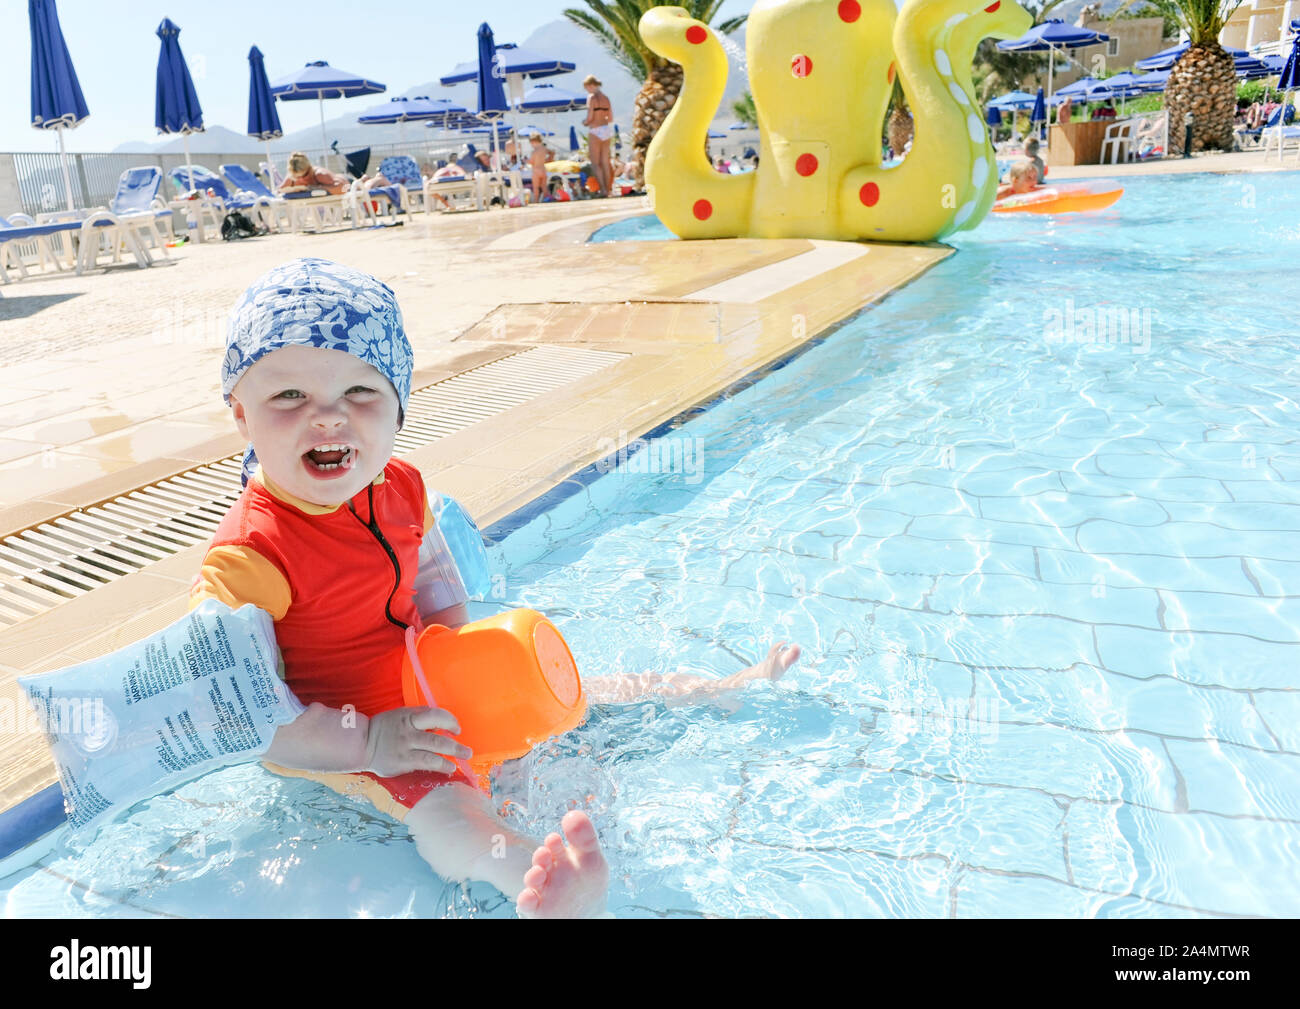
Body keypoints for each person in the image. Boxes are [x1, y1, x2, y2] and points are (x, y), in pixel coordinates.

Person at [192, 258, 801, 917]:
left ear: (399, 404)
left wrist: (464, 654)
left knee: (583, 696)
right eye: (289, 397)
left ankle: (720, 687)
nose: (329, 419)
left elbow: (429, 573)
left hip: (432, 686)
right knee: (448, 808)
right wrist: (370, 742)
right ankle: (531, 877)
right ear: (240, 414)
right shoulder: (252, 555)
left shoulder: (400, 485)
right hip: (351, 734)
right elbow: (237, 714)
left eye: (360, 392)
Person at [583, 74, 614, 198]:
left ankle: (603, 190)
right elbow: (610, 117)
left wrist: (585, 122)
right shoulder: (606, 98)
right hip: (606, 129)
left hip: (595, 129)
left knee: (595, 163)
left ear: (590, 85)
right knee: (605, 162)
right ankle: (609, 189)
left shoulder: (592, 98)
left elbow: (590, 117)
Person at [278, 151, 348, 195]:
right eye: (295, 175)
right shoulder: (292, 177)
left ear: (307, 168)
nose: (299, 178)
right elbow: (279, 191)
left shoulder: (319, 174)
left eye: (302, 175)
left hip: (347, 184)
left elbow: (341, 188)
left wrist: (308, 188)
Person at [528, 133, 552, 204]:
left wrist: (526, 161)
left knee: (536, 187)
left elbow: (532, 162)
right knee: (544, 186)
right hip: (543, 169)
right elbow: (552, 153)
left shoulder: (534, 151)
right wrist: (549, 159)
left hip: (536, 170)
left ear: (533, 141)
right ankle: (547, 199)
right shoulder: (544, 149)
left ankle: (536, 200)